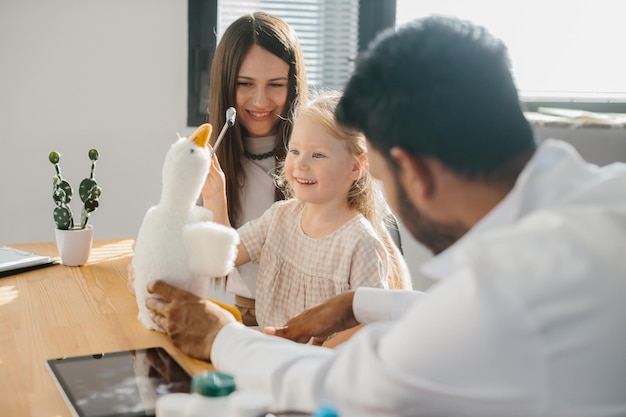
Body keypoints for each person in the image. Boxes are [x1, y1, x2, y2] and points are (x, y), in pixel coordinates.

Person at [145, 15, 626, 416]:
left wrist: (221, 337)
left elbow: (344, 386)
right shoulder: (607, 198)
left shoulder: (501, 298)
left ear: (414, 172)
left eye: (383, 179)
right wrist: (359, 302)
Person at [204, 91, 411, 329]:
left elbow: (368, 329)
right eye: (295, 151)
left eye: (318, 155)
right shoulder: (279, 217)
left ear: (357, 166)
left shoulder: (359, 243)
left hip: (326, 362)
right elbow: (224, 255)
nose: (301, 164)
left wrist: (319, 356)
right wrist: (214, 196)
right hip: (274, 351)